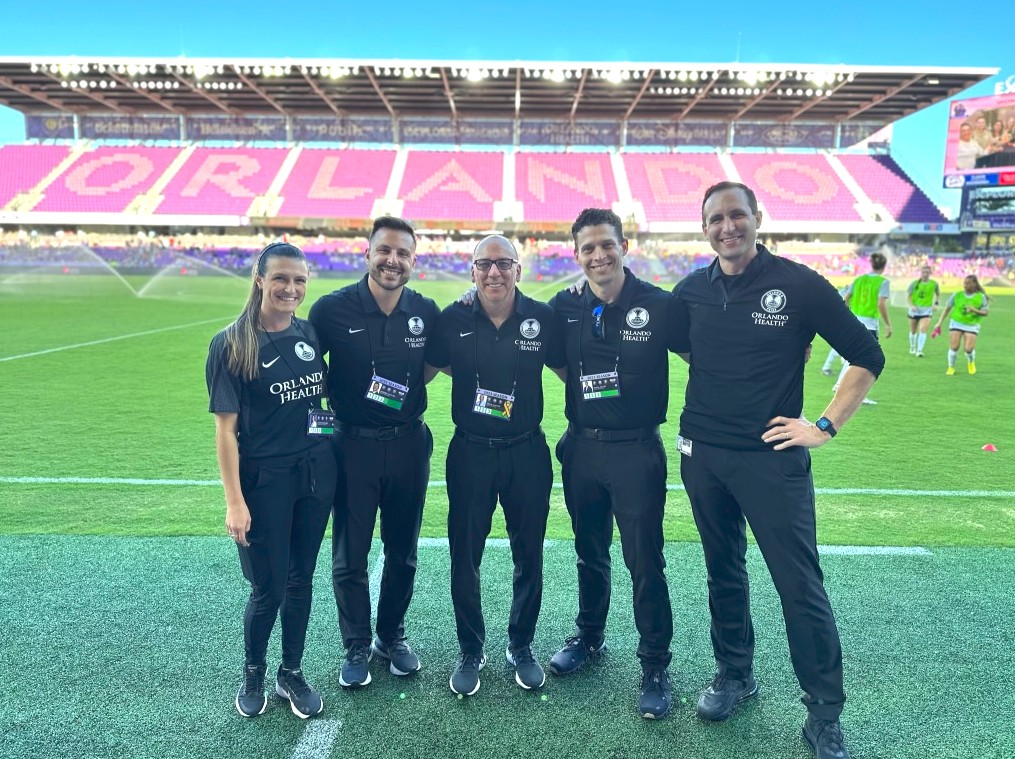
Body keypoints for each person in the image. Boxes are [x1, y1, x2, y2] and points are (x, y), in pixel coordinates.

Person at [671, 182, 885, 759]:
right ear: (705, 228)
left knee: (799, 586)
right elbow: (687, 349)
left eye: (736, 215)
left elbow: (868, 355)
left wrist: (824, 426)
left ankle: (823, 714)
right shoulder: (690, 290)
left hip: (772, 462)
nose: (727, 227)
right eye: (715, 218)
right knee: (723, 569)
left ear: (757, 217)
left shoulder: (798, 285)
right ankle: (735, 674)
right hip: (703, 457)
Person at [546, 208, 682, 720]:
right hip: (583, 448)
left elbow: (711, 350)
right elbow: (554, 357)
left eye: (607, 245)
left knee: (644, 560)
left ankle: (654, 664)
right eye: (587, 248)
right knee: (589, 550)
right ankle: (590, 636)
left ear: (625, 246)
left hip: (636, 451)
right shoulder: (564, 306)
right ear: (576, 253)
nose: (598, 255)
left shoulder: (657, 305)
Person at [206, 242, 337, 719]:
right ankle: (254, 671)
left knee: (301, 579)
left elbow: (315, 405)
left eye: (300, 280)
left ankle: (292, 672)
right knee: (269, 588)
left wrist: (327, 454)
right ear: (260, 279)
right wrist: (234, 501)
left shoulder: (308, 333)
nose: (291, 288)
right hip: (265, 482)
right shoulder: (231, 344)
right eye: (281, 278)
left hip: (315, 477)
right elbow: (224, 431)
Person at [308, 217, 440, 688]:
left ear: (413, 262)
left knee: (402, 552)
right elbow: (304, 370)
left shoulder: (425, 311)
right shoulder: (331, 310)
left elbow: (431, 366)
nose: (393, 260)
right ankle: (357, 643)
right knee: (350, 555)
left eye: (403, 254)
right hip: (352, 448)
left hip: (408, 445)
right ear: (367, 254)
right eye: (385, 250)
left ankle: (391, 635)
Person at [427, 235, 561, 696]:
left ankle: (520, 645)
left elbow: (572, 368)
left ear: (518, 270)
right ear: (472, 271)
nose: (494, 273)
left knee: (530, 553)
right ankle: (470, 649)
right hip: (470, 453)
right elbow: (424, 368)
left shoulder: (543, 319)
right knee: (465, 555)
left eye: (504, 263)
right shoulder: (452, 320)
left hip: (528, 453)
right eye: (484, 264)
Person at [834, 251, 890, 405]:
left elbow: (845, 298)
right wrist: (888, 324)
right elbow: (880, 304)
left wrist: (846, 318)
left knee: (855, 356)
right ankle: (855, 392)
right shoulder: (883, 282)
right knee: (869, 359)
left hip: (855, 321)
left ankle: (840, 384)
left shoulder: (859, 280)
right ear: (883, 266)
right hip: (870, 324)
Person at [933, 274, 989, 375]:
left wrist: (974, 310)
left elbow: (985, 312)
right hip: (956, 323)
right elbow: (947, 309)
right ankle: (951, 367)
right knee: (954, 347)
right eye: (965, 283)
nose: (965, 285)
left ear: (974, 284)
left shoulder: (981, 297)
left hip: (972, 325)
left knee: (968, 349)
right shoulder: (956, 295)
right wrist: (939, 323)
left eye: (968, 283)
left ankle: (971, 362)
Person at [906, 265, 940, 357]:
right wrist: (911, 305)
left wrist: (936, 304)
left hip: (926, 311)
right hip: (915, 310)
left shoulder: (934, 284)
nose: (925, 273)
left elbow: (937, 294)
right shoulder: (915, 283)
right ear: (921, 272)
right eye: (924, 271)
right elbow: (908, 296)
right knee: (913, 331)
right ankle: (912, 347)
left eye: (927, 271)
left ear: (930, 273)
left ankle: (919, 350)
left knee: (923, 329)